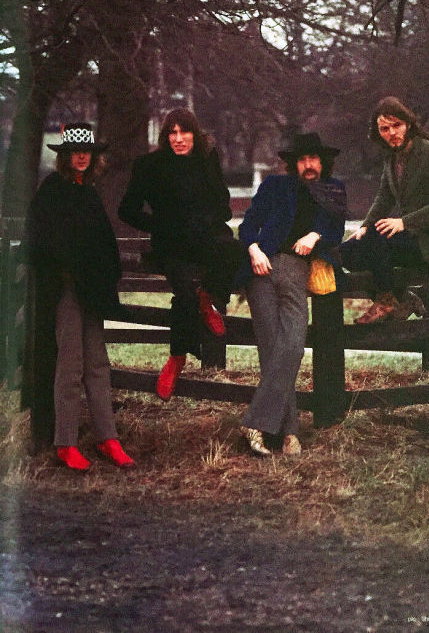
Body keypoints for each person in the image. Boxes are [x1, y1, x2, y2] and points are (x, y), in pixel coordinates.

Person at [24, 123, 135, 471]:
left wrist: (105, 277)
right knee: (69, 366)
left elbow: (103, 243)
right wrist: (67, 270)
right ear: (65, 157)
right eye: (75, 151)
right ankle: (65, 441)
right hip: (66, 291)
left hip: (92, 292)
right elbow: (41, 242)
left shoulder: (89, 192)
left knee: (98, 364)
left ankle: (107, 436)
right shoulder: (52, 191)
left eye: (87, 151)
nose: (82, 156)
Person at [119, 108, 244, 399]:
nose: (178, 139)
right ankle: (177, 359)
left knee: (235, 250)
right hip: (172, 242)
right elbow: (127, 210)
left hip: (206, 235)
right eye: (172, 133)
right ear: (166, 137)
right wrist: (158, 224)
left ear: (194, 134)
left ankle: (208, 296)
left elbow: (222, 203)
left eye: (184, 132)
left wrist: (208, 219)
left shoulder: (206, 160)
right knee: (183, 291)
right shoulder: (149, 165)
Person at [237, 132, 346, 457]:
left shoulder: (333, 190)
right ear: (294, 163)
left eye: (314, 158)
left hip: (297, 271)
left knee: (293, 347)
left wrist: (314, 236)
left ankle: (254, 422)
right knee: (272, 351)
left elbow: (336, 229)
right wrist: (254, 249)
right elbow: (247, 226)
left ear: (323, 161)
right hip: (261, 270)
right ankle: (289, 435)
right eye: (302, 159)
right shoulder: (274, 186)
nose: (308, 165)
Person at [340, 97, 429, 324]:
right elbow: (384, 197)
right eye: (384, 128)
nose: (392, 132)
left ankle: (387, 301)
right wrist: (365, 227)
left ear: (408, 124)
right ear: (378, 133)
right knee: (345, 251)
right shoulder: (391, 159)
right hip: (408, 241)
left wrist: (403, 223)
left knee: (378, 239)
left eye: (396, 125)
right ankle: (402, 298)